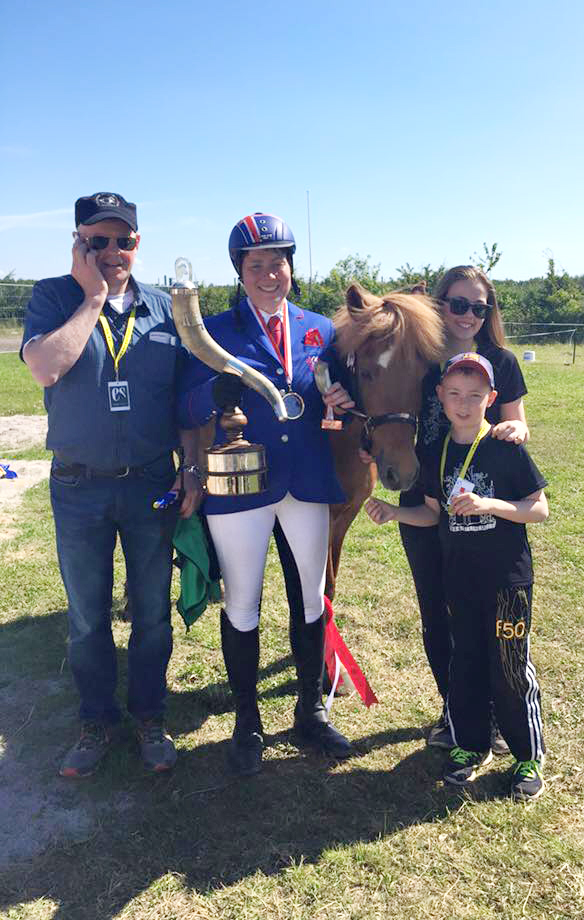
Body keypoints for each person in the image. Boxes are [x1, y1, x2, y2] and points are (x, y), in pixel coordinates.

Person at [21, 192, 203, 778]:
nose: (111, 251)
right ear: (78, 242)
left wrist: (192, 465)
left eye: (122, 240)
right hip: (80, 487)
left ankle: (150, 717)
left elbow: (184, 401)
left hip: (151, 483)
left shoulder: (165, 308)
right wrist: (93, 298)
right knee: (87, 615)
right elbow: (46, 366)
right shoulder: (54, 296)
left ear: (137, 244)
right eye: (97, 241)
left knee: (151, 612)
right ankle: (96, 721)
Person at [177, 212, 354, 776]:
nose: (269, 274)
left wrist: (343, 400)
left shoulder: (320, 329)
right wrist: (213, 390)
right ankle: (247, 721)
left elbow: (339, 390)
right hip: (241, 485)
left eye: (278, 262)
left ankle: (310, 711)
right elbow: (183, 407)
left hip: (306, 481)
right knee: (243, 603)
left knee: (310, 599)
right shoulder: (212, 332)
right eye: (256, 265)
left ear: (291, 267)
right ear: (240, 271)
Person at [366, 352, 548, 801]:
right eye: (454, 395)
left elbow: (538, 509)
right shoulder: (436, 453)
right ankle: (471, 744)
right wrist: (394, 512)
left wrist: (490, 505)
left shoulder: (505, 448)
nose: (464, 404)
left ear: (492, 398)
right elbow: (433, 514)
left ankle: (527, 756)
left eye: (474, 395)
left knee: (509, 668)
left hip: (506, 582)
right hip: (459, 580)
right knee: (464, 662)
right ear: (440, 397)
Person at [389, 266, 530, 751]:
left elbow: (517, 423)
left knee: (486, 616)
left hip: (482, 508)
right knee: (436, 611)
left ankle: (496, 714)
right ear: (440, 304)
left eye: (479, 307)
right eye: (458, 304)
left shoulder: (501, 361)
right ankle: (456, 712)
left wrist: (516, 430)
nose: (468, 315)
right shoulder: (419, 358)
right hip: (425, 497)